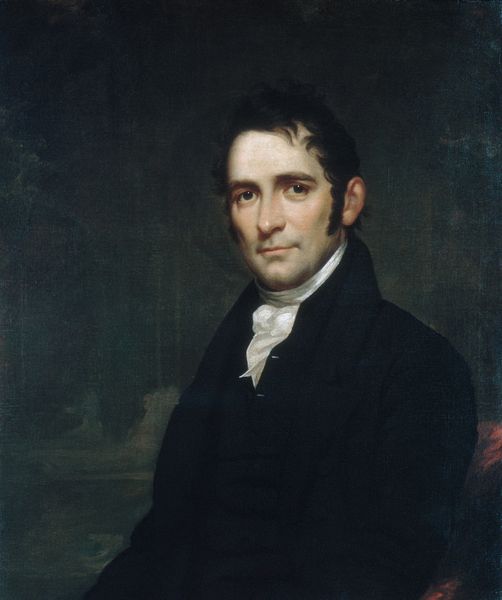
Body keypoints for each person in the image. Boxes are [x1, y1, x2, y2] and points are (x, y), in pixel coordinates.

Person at [84, 82, 477, 600]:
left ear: (348, 201)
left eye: (295, 188)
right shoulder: (224, 358)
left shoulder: (421, 365)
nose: (267, 221)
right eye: (246, 195)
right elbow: (163, 541)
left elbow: (386, 567)